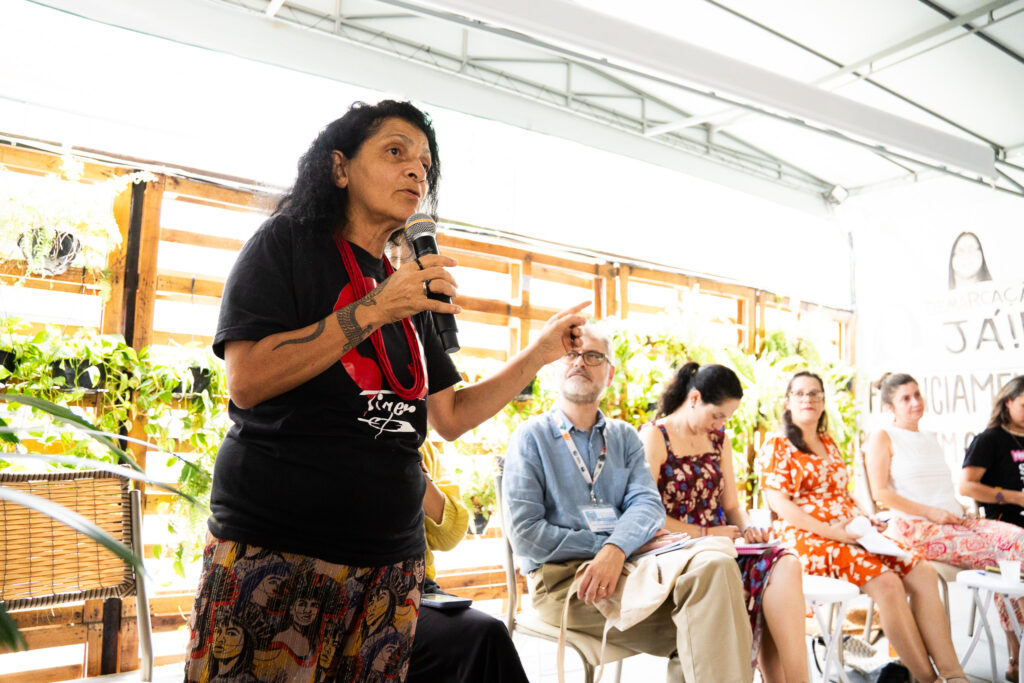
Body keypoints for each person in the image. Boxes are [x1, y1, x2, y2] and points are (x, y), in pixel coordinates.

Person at [184, 99, 588, 683]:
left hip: (389, 569)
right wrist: (376, 308)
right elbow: (247, 381)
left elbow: (449, 415)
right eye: (395, 152)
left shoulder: (405, 285)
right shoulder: (285, 246)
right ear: (340, 168)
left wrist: (538, 354)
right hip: (279, 551)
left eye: (425, 163)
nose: (416, 171)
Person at [503, 324, 754, 683]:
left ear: (610, 372)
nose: (580, 363)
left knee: (717, 561)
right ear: (555, 366)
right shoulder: (531, 437)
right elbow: (527, 535)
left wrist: (616, 550)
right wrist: (608, 548)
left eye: (593, 356)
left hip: (629, 569)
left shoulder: (622, 436)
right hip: (563, 584)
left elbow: (648, 508)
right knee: (714, 625)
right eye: (571, 354)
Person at [758, 371, 967, 683]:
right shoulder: (777, 445)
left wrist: (863, 519)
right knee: (887, 583)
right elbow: (782, 507)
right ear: (788, 402)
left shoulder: (828, 442)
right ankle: (928, 679)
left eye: (815, 393)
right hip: (807, 537)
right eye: (800, 394)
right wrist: (835, 532)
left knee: (921, 570)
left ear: (824, 402)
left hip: (850, 531)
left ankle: (954, 674)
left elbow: (842, 494)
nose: (808, 399)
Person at [640, 363, 807, 683]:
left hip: (726, 543)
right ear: (694, 398)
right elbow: (648, 517)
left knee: (786, 563)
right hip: (682, 552)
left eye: (726, 418)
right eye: (717, 415)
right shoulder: (654, 436)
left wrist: (748, 529)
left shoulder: (719, 440)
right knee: (766, 585)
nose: (719, 424)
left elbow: (731, 505)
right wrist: (707, 533)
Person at [866, 372, 1024, 681]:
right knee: (1011, 553)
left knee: (1017, 543)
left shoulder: (930, 438)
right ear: (890, 407)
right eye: (905, 398)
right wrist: (932, 513)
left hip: (953, 522)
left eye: (917, 395)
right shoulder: (883, 436)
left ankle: (1016, 652)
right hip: (917, 529)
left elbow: (939, 490)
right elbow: (881, 494)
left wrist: (955, 510)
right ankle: (1016, 652)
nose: (915, 403)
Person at [406, 441, 529, 683]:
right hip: (363, 585)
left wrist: (414, 469)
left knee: (486, 634)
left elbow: (450, 534)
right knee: (482, 638)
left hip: (419, 587)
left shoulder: (421, 445)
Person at [960, 375, 1024, 527]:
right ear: (1007, 402)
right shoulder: (989, 439)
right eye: (1023, 406)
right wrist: (1017, 498)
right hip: (1008, 525)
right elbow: (966, 486)